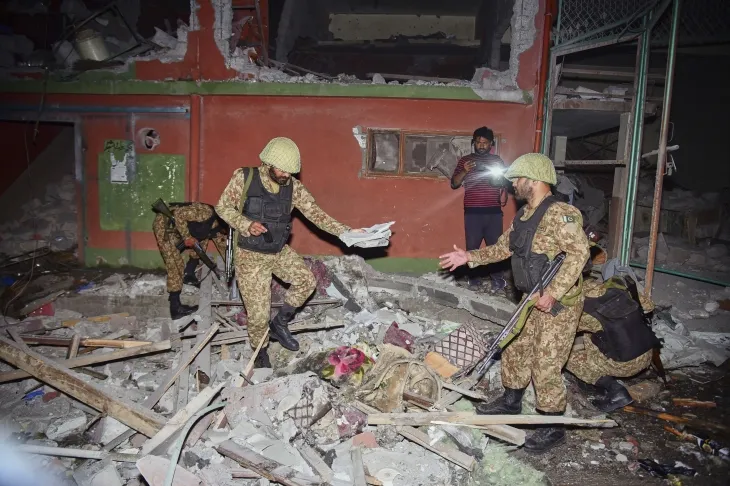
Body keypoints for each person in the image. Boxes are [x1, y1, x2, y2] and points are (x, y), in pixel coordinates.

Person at [439, 153, 590, 453]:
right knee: (516, 348)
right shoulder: (524, 215)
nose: (514, 185)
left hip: (557, 304)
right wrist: (469, 257)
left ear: (535, 180)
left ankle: (552, 426)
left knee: (546, 363)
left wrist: (553, 292)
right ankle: (511, 402)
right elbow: (502, 248)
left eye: (519, 179)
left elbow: (579, 253)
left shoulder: (562, 213)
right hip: (530, 298)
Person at [215, 137, 364, 368]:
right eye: (282, 170)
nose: (286, 175)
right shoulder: (244, 178)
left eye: (290, 171)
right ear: (268, 163)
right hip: (250, 256)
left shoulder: (293, 187)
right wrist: (246, 224)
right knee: (258, 316)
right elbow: (222, 207)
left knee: (306, 281)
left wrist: (347, 231)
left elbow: (316, 214)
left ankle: (280, 323)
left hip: (277, 250)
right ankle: (260, 351)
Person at [565, 276, 660, 412]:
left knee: (565, 357)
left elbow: (564, 331)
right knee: (600, 331)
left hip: (624, 365)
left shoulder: (583, 308)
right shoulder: (617, 287)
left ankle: (614, 390)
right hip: (647, 352)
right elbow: (649, 306)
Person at [450, 127, 507, 290]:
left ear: (491, 144)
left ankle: (498, 281)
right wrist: (465, 171)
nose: (481, 145)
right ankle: (473, 280)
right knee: (472, 247)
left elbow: (503, 182)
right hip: (472, 212)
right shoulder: (465, 161)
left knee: (495, 248)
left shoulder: (497, 161)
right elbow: (454, 183)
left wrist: (493, 175)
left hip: (494, 212)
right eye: (478, 142)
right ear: (473, 143)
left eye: (485, 143)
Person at [152, 202, 227, 319]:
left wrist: (232, 267)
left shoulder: (218, 226)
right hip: (165, 225)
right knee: (175, 264)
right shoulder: (206, 213)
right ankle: (175, 308)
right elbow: (178, 214)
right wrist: (187, 237)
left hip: (179, 227)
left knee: (202, 240)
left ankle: (189, 274)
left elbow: (222, 245)